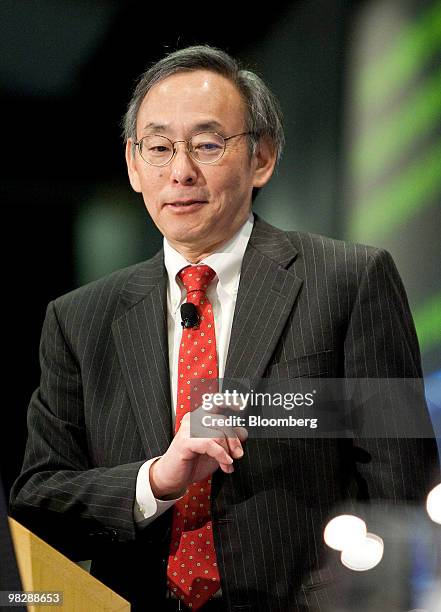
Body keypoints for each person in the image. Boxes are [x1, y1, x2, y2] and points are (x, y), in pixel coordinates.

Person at [9, 45, 439, 611]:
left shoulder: (349, 280)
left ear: (262, 158)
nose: (180, 170)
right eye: (159, 148)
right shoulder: (79, 319)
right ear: (134, 166)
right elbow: (41, 505)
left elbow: (400, 490)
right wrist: (157, 479)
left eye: (208, 144)